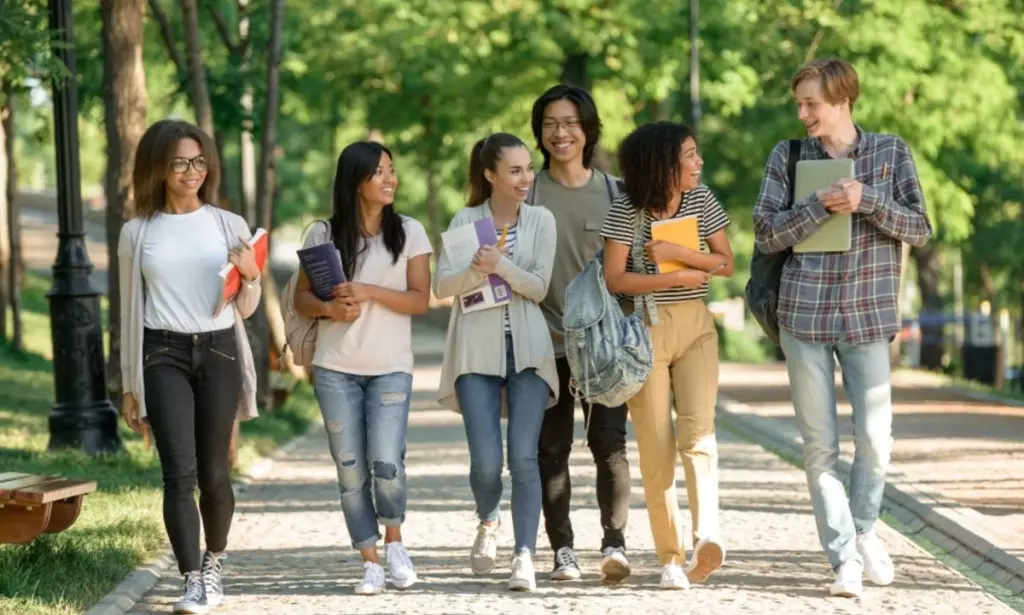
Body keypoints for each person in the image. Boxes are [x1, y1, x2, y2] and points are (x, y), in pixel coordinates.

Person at [752, 57, 932, 598]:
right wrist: (816, 208)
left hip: (867, 317)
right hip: (803, 317)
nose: (803, 113)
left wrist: (867, 200)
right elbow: (764, 234)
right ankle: (843, 560)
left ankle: (863, 529)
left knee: (876, 441)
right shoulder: (787, 156)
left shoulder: (890, 152)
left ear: (842, 100)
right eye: (799, 103)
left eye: (813, 103)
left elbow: (920, 228)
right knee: (819, 447)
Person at [118, 119, 261, 614]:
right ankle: (191, 579)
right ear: (157, 167)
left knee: (215, 473)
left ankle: (215, 560)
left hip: (219, 349)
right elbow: (128, 311)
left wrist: (252, 276)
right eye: (179, 161)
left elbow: (246, 308)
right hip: (162, 353)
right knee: (177, 473)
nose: (191, 171)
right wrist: (129, 384)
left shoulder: (228, 225)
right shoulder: (137, 233)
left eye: (198, 161)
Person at [293, 141, 433, 595]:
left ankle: (395, 542)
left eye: (392, 170)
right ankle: (369, 558)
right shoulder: (322, 234)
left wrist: (370, 291)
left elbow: (419, 300)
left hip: (391, 367)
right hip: (335, 368)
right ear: (355, 182)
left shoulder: (409, 232)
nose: (390, 179)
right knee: (350, 468)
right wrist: (331, 310)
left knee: (386, 461)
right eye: (379, 172)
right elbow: (301, 300)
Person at [601, 121, 734, 591]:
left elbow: (726, 262)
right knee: (657, 448)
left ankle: (706, 537)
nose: (699, 163)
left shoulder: (701, 201)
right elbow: (615, 278)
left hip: (696, 326)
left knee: (699, 435)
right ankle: (670, 556)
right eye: (690, 156)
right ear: (663, 164)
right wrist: (669, 279)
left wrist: (681, 253)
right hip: (645, 331)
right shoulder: (625, 211)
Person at [434, 133, 558, 592]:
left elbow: (540, 287)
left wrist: (501, 266)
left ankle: (524, 554)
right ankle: (489, 520)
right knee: (486, 463)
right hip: (475, 349)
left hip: (528, 349)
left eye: (528, 169)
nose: (526, 178)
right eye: (515, 170)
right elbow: (443, 287)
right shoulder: (466, 220)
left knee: (523, 458)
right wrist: (476, 269)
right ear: (490, 175)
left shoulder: (541, 220)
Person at [527, 84, 632, 583]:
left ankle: (614, 544)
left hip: (603, 349)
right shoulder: (526, 193)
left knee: (609, 443)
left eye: (570, 123)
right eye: (550, 124)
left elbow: (634, 265)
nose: (560, 133)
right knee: (551, 450)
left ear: (587, 129)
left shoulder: (616, 193)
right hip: (543, 344)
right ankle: (562, 549)